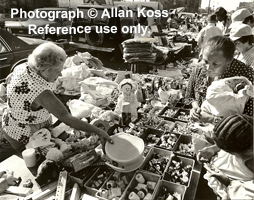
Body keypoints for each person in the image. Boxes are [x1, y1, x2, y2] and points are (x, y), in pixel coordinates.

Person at [2, 43, 114, 154]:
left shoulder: (24, 66)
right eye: (57, 71)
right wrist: (98, 131)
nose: (60, 74)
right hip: (24, 132)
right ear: (45, 69)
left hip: (13, 121)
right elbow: (68, 118)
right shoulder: (41, 92)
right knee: (37, 162)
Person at [185, 36, 254, 124]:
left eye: (215, 64)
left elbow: (248, 121)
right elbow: (189, 95)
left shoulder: (246, 77)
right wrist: (195, 108)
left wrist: (212, 119)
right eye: (206, 62)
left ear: (229, 60)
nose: (208, 68)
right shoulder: (199, 68)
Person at [197, 114, 253, 199]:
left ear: (234, 152)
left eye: (225, 150)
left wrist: (226, 181)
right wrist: (213, 149)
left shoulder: (251, 163)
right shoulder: (247, 135)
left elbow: (245, 195)